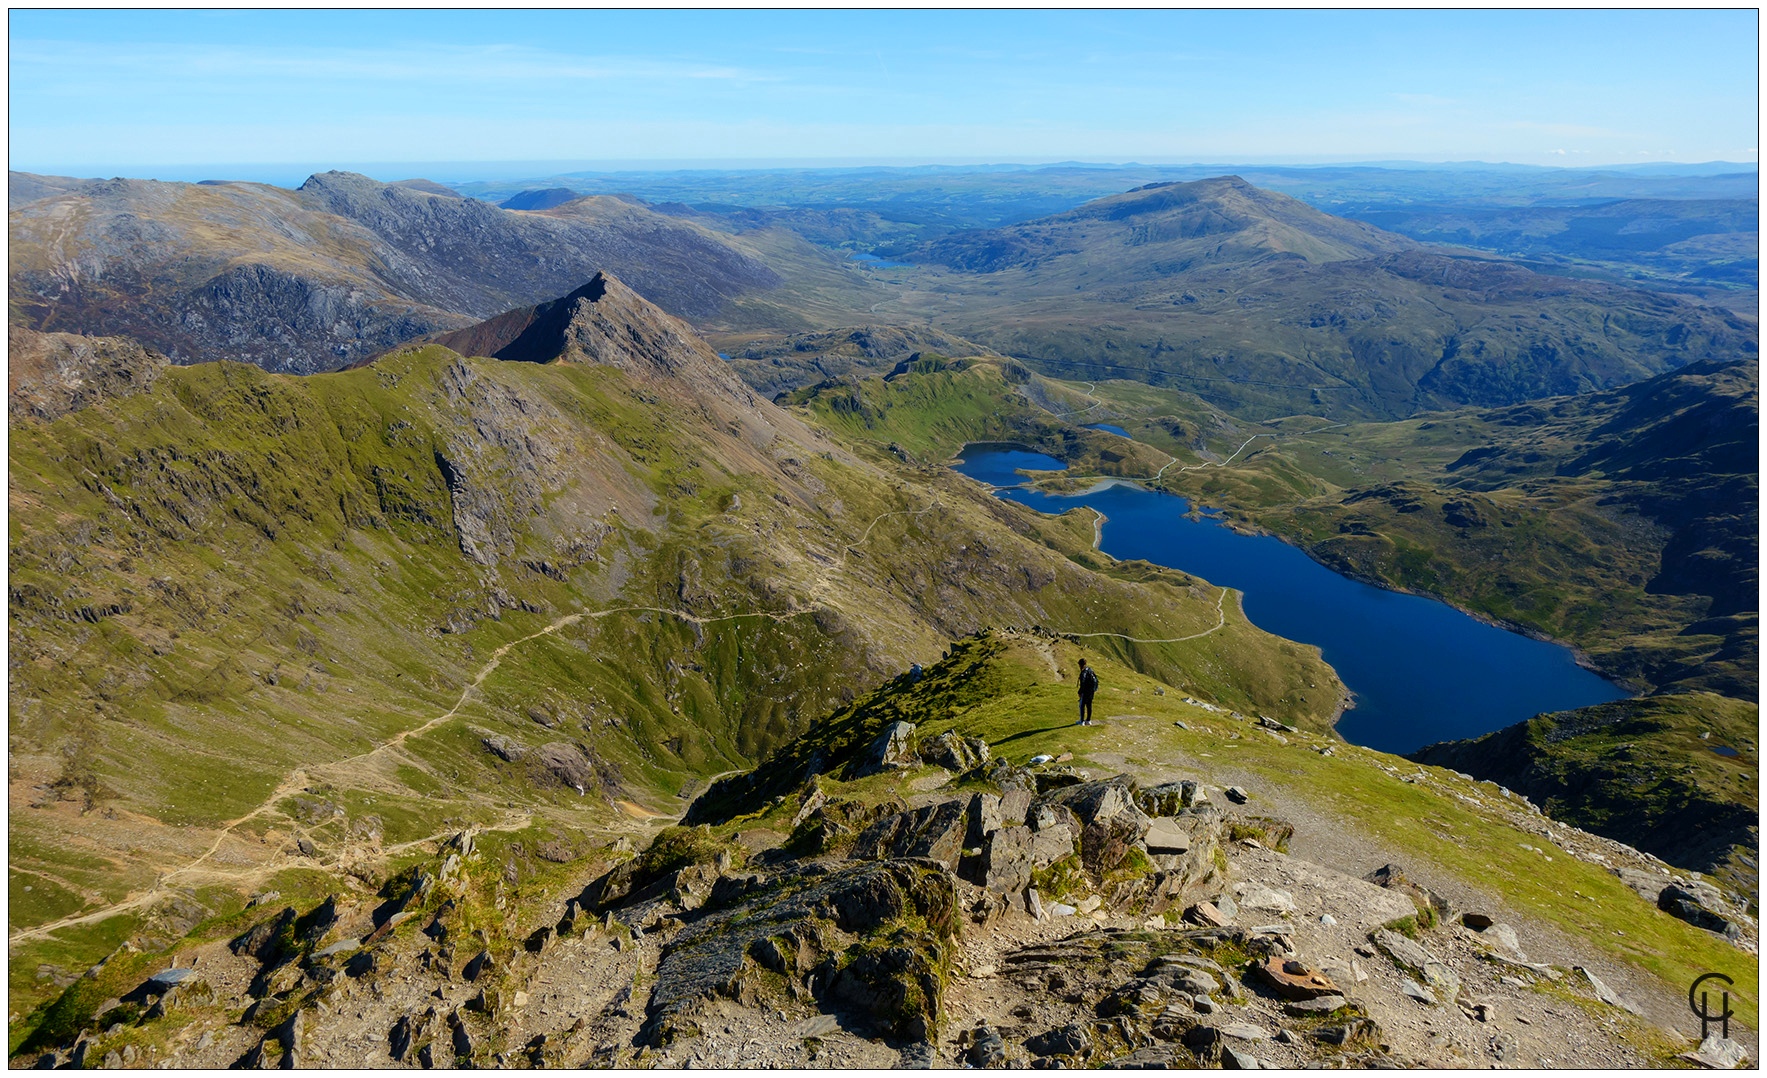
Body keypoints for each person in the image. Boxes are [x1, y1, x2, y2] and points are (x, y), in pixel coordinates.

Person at [1077, 657, 1098, 725]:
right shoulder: (1090, 670)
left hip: (1085, 691)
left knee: (1082, 705)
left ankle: (1082, 721)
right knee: (1089, 705)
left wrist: (1080, 692)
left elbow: (1082, 683)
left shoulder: (1083, 672)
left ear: (1080, 665)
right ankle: (1088, 720)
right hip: (1091, 691)